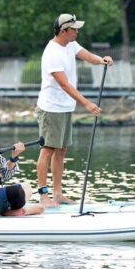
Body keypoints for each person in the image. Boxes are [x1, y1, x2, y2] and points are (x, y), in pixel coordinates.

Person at [35, 13, 113, 207]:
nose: (77, 31)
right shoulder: (52, 52)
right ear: (64, 31)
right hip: (51, 108)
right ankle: (44, 196)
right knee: (48, 150)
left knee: (61, 150)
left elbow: (87, 56)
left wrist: (102, 60)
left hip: (65, 107)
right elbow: (64, 85)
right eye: (74, 29)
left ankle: (58, 193)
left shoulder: (71, 44)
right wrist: (87, 103)